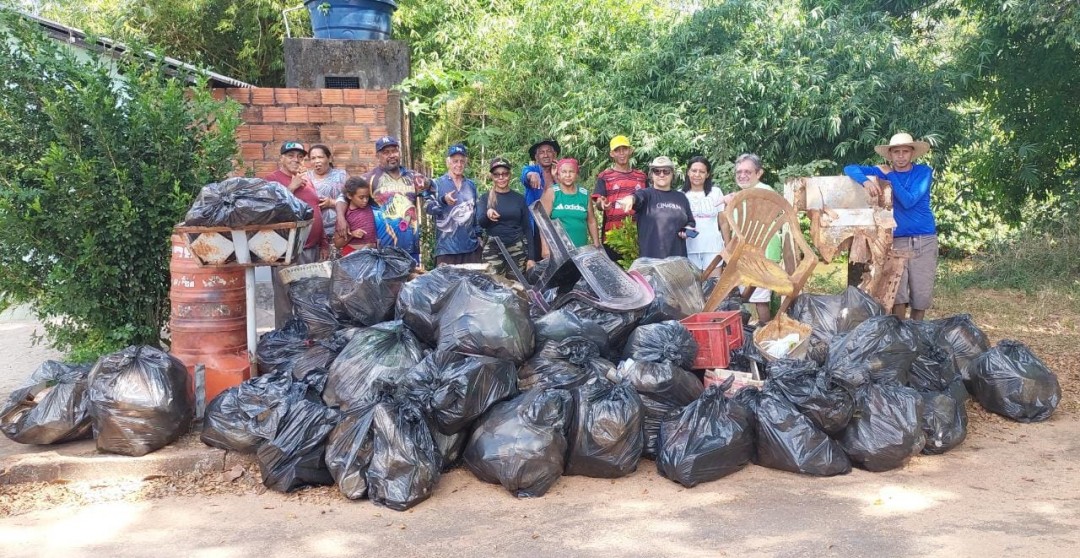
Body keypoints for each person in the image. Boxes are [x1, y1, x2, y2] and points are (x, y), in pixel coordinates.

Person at [844, 132, 937, 320]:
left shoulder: (923, 172)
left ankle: (916, 334)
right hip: (896, 240)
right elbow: (849, 168)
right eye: (896, 152)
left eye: (905, 151)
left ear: (912, 153)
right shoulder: (884, 171)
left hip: (924, 240)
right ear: (890, 155)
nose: (901, 156)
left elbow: (908, 200)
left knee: (921, 295)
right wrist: (866, 181)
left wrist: (890, 176)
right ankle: (900, 336)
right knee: (897, 294)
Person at [262, 140, 329, 328]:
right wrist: (291, 187)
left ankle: (307, 338)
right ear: (281, 158)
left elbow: (316, 211)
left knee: (309, 296)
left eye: (300, 157)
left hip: (311, 250)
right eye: (291, 156)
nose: (296, 160)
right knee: (285, 298)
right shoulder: (271, 180)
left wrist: (323, 243)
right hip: (285, 251)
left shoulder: (308, 182)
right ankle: (284, 338)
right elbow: (269, 210)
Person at [335, 136, 431, 264]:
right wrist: (341, 218)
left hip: (410, 245)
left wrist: (432, 192)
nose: (391, 155)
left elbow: (433, 192)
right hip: (383, 249)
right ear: (378, 156)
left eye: (394, 151)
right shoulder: (369, 179)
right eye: (386, 152)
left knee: (411, 282)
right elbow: (343, 196)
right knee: (387, 283)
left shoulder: (413, 177)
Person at [722, 153, 782, 323]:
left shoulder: (764, 190)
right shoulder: (744, 193)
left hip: (762, 253)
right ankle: (751, 335)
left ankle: (764, 333)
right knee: (748, 297)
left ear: (759, 173)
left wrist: (733, 200)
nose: (742, 175)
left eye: (748, 172)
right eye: (739, 172)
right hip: (746, 253)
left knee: (760, 300)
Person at [615, 156, 695, 260]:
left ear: (672, 174)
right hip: (651, 262)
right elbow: (636, 197)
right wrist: (630, 199)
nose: (661, 174)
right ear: (651, 175)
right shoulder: (646, 194)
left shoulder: (681, 197)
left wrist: (687, 230)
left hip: (678, 261)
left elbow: (691, 223)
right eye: (657, 171)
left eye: (666, 171)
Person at [593, 135, 648, 260]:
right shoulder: (605, 176)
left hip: (638, 234)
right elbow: (599, 202)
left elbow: (648, 201)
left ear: (630, 150)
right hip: (613, 236)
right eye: (617, 150)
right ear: (612, 153)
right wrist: (602, 204)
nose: (621, 153)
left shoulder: (641, 176)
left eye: (624, 149)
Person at [427, 143, 482, 266]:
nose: (459, 164)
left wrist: (479, 237)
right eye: (455, 161)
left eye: (462, 161)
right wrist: (443, 200)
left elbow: (475, 214)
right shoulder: (437, 184)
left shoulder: (471, 185)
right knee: (446, 285)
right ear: (448, 162)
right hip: (446, 249)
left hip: (470, 249)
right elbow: (428, 208)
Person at [477, 157, 531, 276]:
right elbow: (481, 223)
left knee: (517, 288)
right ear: (492, 176)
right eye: (497, 175)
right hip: (493, 248)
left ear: (509, 175)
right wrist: (487, 214)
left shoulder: (519, 198)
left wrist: (531, 257)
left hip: (516, 247)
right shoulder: (485, 198)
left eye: (504, 174)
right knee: (493, 286)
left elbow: (527, 227)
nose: (501, 178)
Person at [539, 158, 600, 257]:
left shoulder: (584, 194)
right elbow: (543, 222)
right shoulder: (552, 193)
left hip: (581, 249)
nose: (567, 175)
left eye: (571, 171)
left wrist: (596, 244)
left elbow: (591, 221)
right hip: (558, 250)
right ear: (558, 174)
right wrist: (545, 249)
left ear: (576, 174)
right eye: (564, 172)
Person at [520, 139, 560, 264]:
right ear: (536, 157)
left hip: (557, 222)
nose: (546, 155)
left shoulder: (561, 172)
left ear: (555, 155)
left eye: (549, 151)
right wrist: (532, 174)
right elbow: (525, 175)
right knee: (538, 261)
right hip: (536, 224)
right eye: (542, 152)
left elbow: (567, 191)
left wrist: (556, 178)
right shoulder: (532, 170)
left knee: (559, 259)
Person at [681, 156, 724, 271]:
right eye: (694, 171)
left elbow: (723, 222)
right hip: (688, 249)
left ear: (707, 174)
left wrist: (728, 247)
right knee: (692, 287)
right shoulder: (680, 195)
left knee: (713, 286)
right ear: (688, 172)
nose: (697, 174)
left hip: (713, 247)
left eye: (702, 171)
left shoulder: (716, 192)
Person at [304, 144, 348, 253]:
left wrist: (331, 203)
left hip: (339, 232)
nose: (317, 161)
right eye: (313, 158)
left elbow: (354, 200)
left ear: (329, 158)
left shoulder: (341, 175)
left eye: (320, 157)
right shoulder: (305, 178)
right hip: (315, 235)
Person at [334, 176, 381, 256]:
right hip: (353, 255)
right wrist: (352, 234)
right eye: (361, 197)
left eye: (367, 197)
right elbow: (337, 244)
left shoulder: (370, 207)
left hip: (371, 254)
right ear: (349, 196)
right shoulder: (345, 216)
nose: (365, 201)